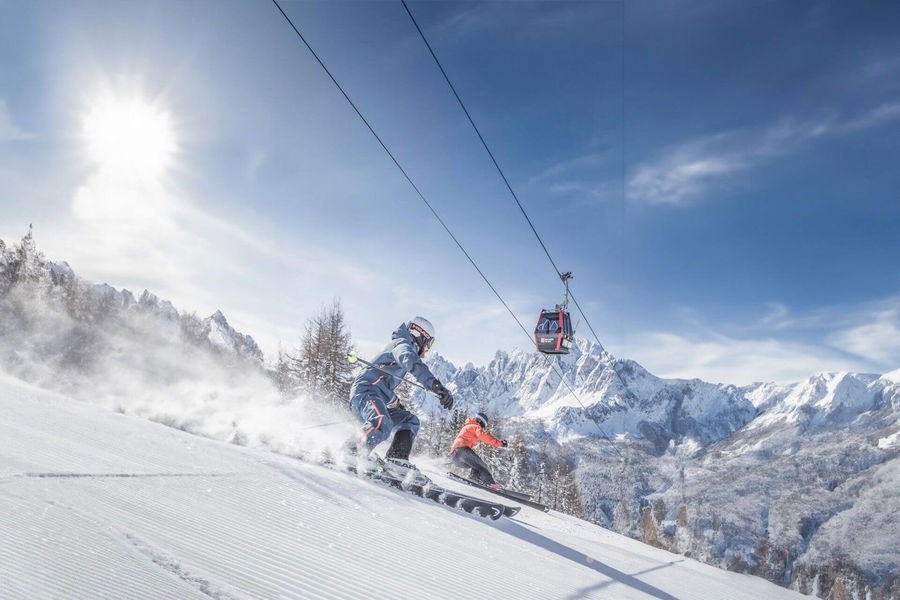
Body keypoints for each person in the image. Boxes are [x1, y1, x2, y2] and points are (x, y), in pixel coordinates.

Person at [347, 316, 454, 476]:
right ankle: (350, 451)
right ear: (421, 336)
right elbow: (412, 363)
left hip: (375, 394)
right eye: (428, 344)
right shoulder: (402, 345)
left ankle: (397, 459)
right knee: (382, 421)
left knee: (410, 421)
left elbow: (383, 383)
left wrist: (396, 403)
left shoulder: (401, 347)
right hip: (365, 393)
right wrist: (435, 385)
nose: (426, 350)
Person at [449, 412, 507, 490]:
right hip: (462, 451)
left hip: (455, 456)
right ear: (480, 421)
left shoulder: (468, 426)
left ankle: (473, 479)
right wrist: (500, 443)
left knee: (476, 467)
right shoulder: (475, 426)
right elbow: (484, 436)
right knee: (483, 467)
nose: (483, 428)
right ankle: (492, 485)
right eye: (483, 425)